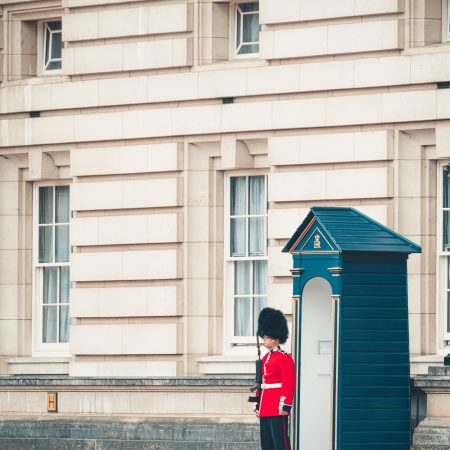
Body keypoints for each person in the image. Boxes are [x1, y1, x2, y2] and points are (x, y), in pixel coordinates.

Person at [256, 307, 295, 450]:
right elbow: (261, 383)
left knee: (280, 441)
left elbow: (288, 383)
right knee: (266, 443)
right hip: (265, 405)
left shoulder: (284, 358)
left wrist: (285, 405)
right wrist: (257, 404)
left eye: (266, 337)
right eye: (264, 337)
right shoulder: (265, 357)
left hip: (277, 405)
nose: (264, 340)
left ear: (276, 338)